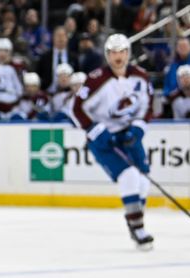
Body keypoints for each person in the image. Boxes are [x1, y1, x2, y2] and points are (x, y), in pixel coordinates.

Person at [71, 33, 154, 250]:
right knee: (129, 176)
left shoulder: (141, 77)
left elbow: (148, 107)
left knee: (143, 182)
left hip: (128, 135)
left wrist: (137, 128)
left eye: (122, 51)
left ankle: (133, 221)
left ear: (129, 53)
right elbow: (77, 109)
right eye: (113, 52)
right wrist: (96, 130)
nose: (118, 56)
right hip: (104, 139)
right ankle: (138, 228)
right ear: (107, 55)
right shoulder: (96, 78)